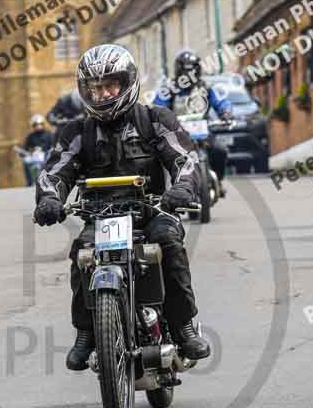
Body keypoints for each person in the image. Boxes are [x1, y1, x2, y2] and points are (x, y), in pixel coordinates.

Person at [34, 44, 211, 371]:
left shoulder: (154, 120)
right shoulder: (77, 132)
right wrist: (49, 199)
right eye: (95, 88)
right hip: (100, 216)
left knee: (169, 245)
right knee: (82, 255)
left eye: (110, 85)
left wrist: (183, 187)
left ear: (127, 82)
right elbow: (54, 171)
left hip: (151, 211)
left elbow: (184, 159)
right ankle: (86, 332)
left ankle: (184, 326)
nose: (102, 94)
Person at [153, 49, 233, 193]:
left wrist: (226, 112)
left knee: (220, 151)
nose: (189, 76)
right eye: (185, 72)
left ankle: (218, 182)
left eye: (192, 72)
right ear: (178, 72)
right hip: (177, 136)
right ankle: (168, 190)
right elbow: (159, 107)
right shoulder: (169, 90)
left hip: (203, 133)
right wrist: (159, 119)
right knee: (160, 158)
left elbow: (221, 102)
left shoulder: (206, 89)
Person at [22, 115, 52, 186]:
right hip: (35, 156)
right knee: (25, 161)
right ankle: (29, 182)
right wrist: (24, 153)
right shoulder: (30, 136)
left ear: (43, 124)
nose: (38, 126)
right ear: (33, 126)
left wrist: (46, 151)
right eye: (36, 124)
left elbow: (53, 145)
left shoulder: (49, 134)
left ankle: (49, 179)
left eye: (40, 124)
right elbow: (25, 147)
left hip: (46, 155)